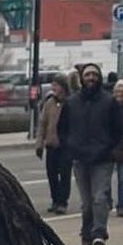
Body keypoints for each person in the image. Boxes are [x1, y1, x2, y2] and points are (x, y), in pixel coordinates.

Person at [58, 62, 123, 245]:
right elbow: (63, 129)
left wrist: (113, 150)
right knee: (86, 203)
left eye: (94, 74)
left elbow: (120, 129)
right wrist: (69, 147)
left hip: (102, 158)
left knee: (100, 198)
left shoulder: (109, 102)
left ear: (99, 77)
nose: (91, 78)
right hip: (79, 159)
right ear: (82, 78)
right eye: (88, 75)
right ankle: (86, 238)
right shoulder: (72, 102)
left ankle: (99, 235)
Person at [36, 76, 72, 215]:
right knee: (51, 174)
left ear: (63, 87)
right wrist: (39, 144)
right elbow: (42, 124)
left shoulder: (70, 103)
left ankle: (62, 202)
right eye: (53, 85)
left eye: (56, 85)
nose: (53, 89)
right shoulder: (49, 103)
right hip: (51, 144)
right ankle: (55, 199)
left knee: (64, 174)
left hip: (65, 146)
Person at [113, 78, 123, 217]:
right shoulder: (110, 106)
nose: (120, 94)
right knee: (105, 183)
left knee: (122, 179)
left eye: (122, 91)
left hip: (122, 148)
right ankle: (108, 202)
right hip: (110, 147)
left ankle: (121, 204)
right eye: (118, 91)